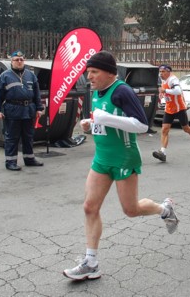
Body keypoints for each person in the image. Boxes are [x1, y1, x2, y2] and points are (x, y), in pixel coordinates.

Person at [63, 51, 179, 281]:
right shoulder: (96, 91)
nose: (90, 77)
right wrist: (90, 123)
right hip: (102, 158)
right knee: (89, 207)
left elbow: (141, 125)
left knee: (131, 210)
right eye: (88, 73)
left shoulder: (122, 91)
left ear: (109, 72)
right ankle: (91, 262)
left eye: (94, 72)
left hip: (124, 157)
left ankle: (164, 210)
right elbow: (102, 119)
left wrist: (105, 119)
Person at [0, 50, 45, 171]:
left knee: (28, 136)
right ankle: (10, 162)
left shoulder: (30, 75)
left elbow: (37, 93)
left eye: (21, 60)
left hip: (29, 110)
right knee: (12, 137)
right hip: (12, 111)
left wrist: (39, 108)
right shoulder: (5, 76)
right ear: (12, 61)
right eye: (17, 60)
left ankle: (29, 159)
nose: (19, 62)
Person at [153, 64, 190, 162]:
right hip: (169, 108)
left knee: (186, 128)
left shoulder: (173, 79)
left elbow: (178, 91)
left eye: (163, 72)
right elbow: (165, 91)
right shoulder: (162, 80)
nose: (161, 73)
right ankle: (163, 153)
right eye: (160, 72)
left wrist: (164, 90)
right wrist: (162, 94)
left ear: (169, 72)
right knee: (164, 130)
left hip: (179, 108)